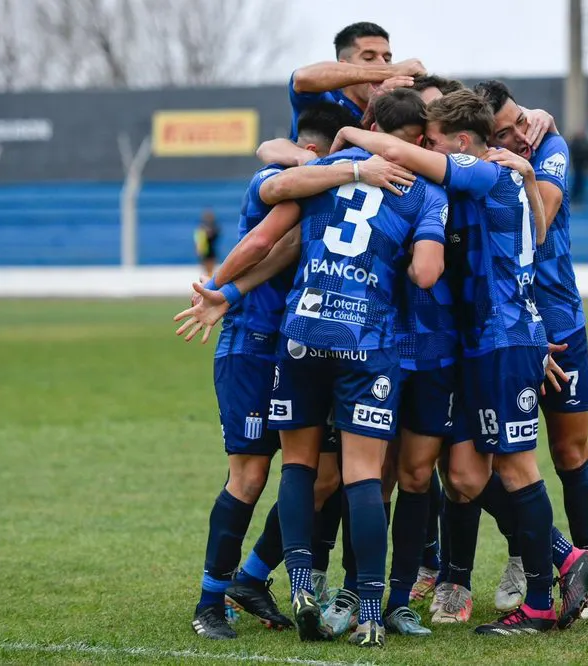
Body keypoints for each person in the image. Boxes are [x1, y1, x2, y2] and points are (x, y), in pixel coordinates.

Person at [332, 89, 588, 636]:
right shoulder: (506, 179)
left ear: (458, 144)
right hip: (494, 342)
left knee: (516, 469)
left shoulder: (485, 172)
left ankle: (545, 600)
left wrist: (352, 137)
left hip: (502, 340)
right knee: (469, 475)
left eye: (433, 140)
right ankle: (566, 559)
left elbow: (405, 158)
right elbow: (537, 234)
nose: (424, 147)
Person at [176, 103, 365, 641]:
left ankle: (253, 577)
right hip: (250, 345)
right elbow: (263, 238)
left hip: (300, 348)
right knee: (252, 475)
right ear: (313, 154)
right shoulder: (274, 177)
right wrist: (222, 293)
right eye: (333, 159)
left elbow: (286, 248)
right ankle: (210, 601)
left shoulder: (321, 198)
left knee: (323, 477)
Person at [472, 79, 588, 620]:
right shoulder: (476, 169)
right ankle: (529, 556)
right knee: (494, 460)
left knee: (569, 453)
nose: (522, 132)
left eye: (522, 118)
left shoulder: (548, 147)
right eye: (507, 131)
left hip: (559, 321)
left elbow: (542, 221)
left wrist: (521, 155)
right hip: (506, 329)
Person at [288, 22, 425, 140]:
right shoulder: (324, 99)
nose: (382, 64)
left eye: (387, 59)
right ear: (343, 65)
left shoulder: (396, 104)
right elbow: (302, 78)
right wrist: (392, 71)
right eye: (368, 58)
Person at [195, 210, 220, 276]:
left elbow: (215, 236)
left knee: (211, 269)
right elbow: (198, 240)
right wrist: (198, 250)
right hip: (205, 250)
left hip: (211, 249)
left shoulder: (215, 227)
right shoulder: (201, 228)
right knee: (206, 269)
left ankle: (209, 279)